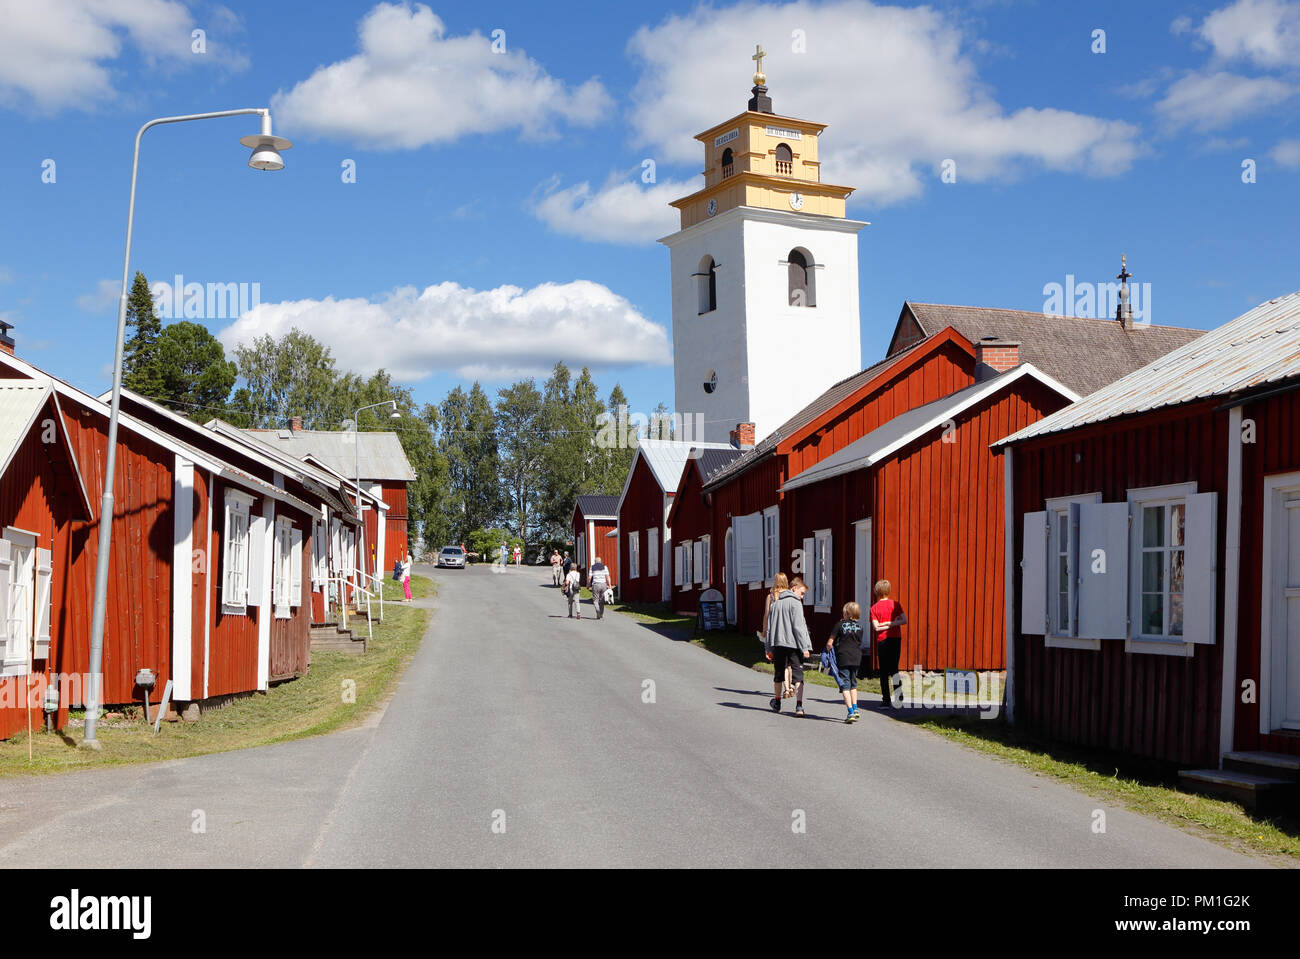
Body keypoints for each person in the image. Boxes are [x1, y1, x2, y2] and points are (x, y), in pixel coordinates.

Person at [765, 576, 813, 717]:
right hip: (794, 645)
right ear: (794, 589)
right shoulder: (796, 603)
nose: (802, 597)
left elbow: (769, 628)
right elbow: (799, 627)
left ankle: (778, 702)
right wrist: (805, 647)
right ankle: (799, 705)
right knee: (798, 676)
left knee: (779, 674)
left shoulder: (775, 604)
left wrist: (768, 647)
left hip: (778, 644)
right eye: (802, 593)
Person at [870, 580, 907, 710]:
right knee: (894, 669)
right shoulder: (895, 605)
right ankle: (899, 697)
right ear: (888, 591)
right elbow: (904, 620)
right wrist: (892, 623)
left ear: (877, 591)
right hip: (896, 639)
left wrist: (884, 624)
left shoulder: (874, 608)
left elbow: (876, 627)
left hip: (883, 640)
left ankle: (886, 700)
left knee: (884, 671)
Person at [826, 601, 865, 723]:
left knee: (845, 685)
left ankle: (850, 712)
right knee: (853, 684)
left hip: (843, 657)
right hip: (857, 658)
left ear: (847, 614)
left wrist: (827, 652)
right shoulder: (860, 627)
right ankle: (855, 708)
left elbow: (830, 642)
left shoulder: (839, 625)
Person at [758, 573, 791, 695]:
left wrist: (764, 629)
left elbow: (766, 614)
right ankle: (788, 688)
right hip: (787, 632)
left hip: (774, 632)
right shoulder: (790, 596)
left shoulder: (771, 596)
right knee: (788, 663)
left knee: (779, 661)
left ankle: (784, 688)